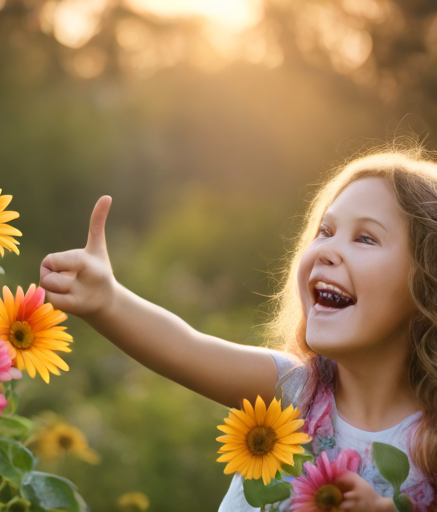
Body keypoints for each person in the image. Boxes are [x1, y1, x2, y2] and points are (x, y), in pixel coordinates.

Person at [39, 144, 437, 511]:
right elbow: (184, 347)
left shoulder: (429, 446)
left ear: (427, 284)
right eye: (325, 231)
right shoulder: (294, 391)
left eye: (365, 238)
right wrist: (107, 300)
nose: (329, 250)